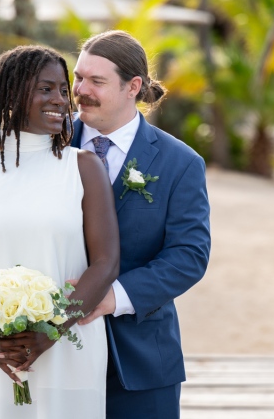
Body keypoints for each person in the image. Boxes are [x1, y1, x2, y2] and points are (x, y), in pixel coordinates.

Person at [0, 45, 120, 419]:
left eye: (63, 90)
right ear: (12, 93)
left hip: (67, 347)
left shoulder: (84, 167)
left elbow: (106, 262)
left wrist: (50, 332)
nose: (60, 100)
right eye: (46, 89)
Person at [69, 30, 211, 419]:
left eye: (96, 81)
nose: (81, 90)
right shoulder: (46, 143)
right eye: (78, 77)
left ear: (133, 87)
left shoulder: (181, 163)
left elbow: (188, 255)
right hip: (53, 354)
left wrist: (112, 297)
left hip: (141, 361)